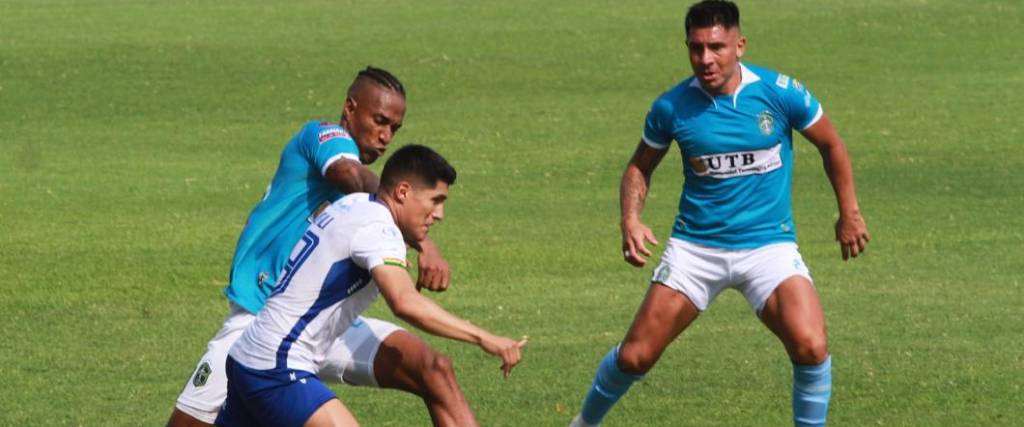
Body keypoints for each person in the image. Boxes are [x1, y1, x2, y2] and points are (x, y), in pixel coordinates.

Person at [569, 1, 870, 426]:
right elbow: (640, 166)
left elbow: (831, 144)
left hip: (768, 246)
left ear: (740, 45)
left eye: (716, 47)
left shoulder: (780, 92)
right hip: (696, 249)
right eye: (696, 48)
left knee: (810, 345)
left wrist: (850, 213)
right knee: (637, 356)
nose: (705, 59)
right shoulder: (672, 107)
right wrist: (630, 219)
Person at [169, 67, 479, 427]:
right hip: (260, 324)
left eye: (394, 128)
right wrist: (422, 241)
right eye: (379, 120)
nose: (385, 136)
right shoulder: (323, 137)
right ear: (350, 108)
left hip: (325, 324)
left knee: (433, 369)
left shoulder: (369, 208)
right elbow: (353, 176)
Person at [216, 144, 527, 427]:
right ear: (403, 192)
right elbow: (404, 302)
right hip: (277, 368)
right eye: (436, 200)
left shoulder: (356, 205)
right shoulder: (377, 228)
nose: (440, 214)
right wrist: (485, 337)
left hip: (247, 357)